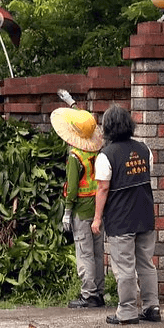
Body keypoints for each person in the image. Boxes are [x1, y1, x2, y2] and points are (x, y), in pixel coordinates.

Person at [91, 105, 160, 325]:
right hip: (145, 214)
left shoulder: (105, 156)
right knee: (146, 263)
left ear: (108, 128)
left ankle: (128, 310)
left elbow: (102, 189)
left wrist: (97, 218)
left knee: (124, 267)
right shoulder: (144, 149)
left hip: (121, 219)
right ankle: (152, 307)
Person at [50, 106, 106, 309]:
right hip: (98, 208)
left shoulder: (75, 158)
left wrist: (66, 212)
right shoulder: (96, 151)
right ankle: (99, 293)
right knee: (98, 252)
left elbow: (72, 188)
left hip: (81, 210)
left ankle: (88, 295)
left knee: (84, 252)